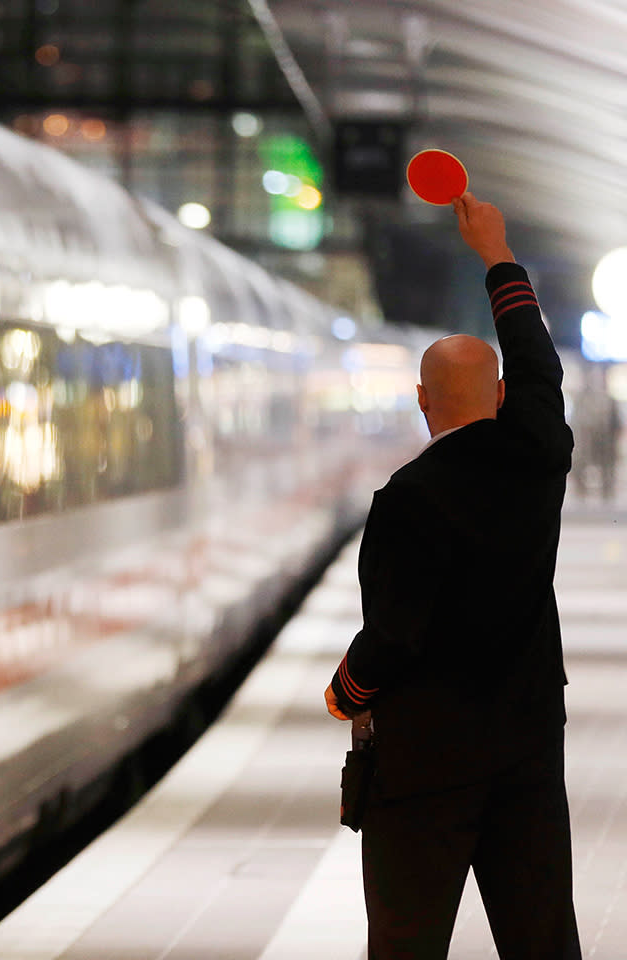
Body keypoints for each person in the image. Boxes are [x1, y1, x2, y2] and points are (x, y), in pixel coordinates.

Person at [323, 193, 580, 959]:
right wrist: (496, 252)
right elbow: (539, 363)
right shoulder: (539, 458)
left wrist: (345, 690)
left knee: (408, 941)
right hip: (529, 745)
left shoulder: (406, 502)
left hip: (424, 764)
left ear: (421, 405)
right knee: (541, 937)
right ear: (500, 398)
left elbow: (394, 637)